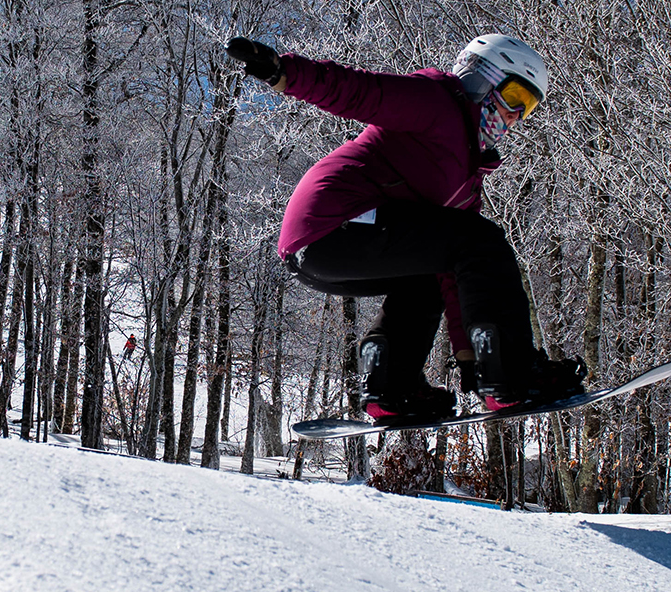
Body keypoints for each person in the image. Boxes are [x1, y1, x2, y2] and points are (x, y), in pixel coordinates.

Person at [228, 32, 587, 423]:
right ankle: (513, 372)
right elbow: (361, 91)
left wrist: (470, 361)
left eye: (528, 108)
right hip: (332, 222)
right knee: (482, 239)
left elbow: (456, 276)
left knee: (437, 269)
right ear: (482, 77)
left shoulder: (466, 181)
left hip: (329, 250)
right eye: (516, 96)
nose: (516, 116)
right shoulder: (437, 102)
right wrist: (284, 73)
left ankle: (391, 386)